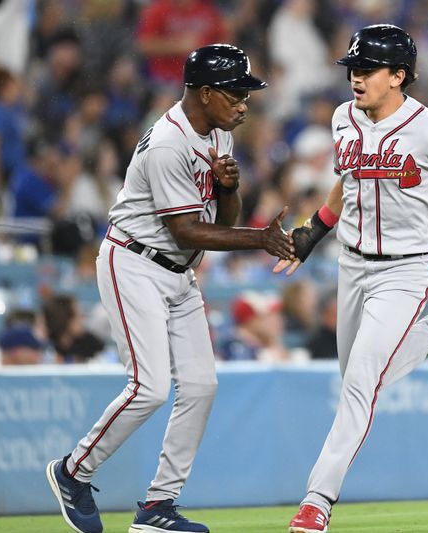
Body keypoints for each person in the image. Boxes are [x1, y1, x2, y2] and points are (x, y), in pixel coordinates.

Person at [46, 44, 293, 533]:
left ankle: (158, 507)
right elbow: (186, 230)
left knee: (202, 385)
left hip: (178, 272)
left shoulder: (218, 134)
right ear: (205, 93)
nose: (244, 102)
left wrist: (230, 190)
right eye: (236, 92)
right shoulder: (167, 142)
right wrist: (260, 240)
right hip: (133, 261)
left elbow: (223, 220)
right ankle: (73, 472)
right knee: (151, 387)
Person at [273, 24, 428, 532]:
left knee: (360, 383)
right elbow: (350, 179)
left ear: (399, 75)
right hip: (352, 263)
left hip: (407, 266)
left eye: (369, 69)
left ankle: (316, 501)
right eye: (353, 69)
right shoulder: (342, 118)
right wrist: (316, 229)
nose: (356, 78)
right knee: (355, 377)